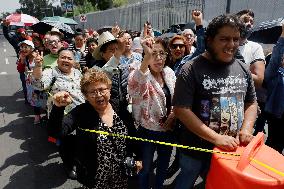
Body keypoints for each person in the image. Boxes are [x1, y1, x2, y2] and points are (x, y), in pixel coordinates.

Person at [172, 14, 258, 189]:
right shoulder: (190, 69)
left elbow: (251, 103)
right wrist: (216, 138)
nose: (231, 45)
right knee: (186, 181)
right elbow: (181, 109)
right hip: (195, 150)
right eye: (224, 39)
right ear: (209, 40)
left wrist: (246, 128)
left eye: (235, 39)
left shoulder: (242, 68)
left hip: (231, 150)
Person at [47, 69, 142, 188]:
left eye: (102, 89)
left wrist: (139, 157)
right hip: (94, 175)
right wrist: (58, 108)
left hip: (121, 171)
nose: (98, 95)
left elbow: (133, 134)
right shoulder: (80, 112)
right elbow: (55, 132)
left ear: (109, 89)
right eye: (92, 92)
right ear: (86, 96)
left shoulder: (120, 108)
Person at [128, 37, 176, 189]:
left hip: (168, 129)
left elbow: (177, 97)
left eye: (162, 53)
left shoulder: (168, 72)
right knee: (146, 167)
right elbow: (134, 87)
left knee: (163, 164)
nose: (158, 58)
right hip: (147, 131)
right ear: (146, 56)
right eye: (153, 54)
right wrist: (146, 57)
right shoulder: (140, 73)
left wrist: (173, 114)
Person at [32, 49, 85, 117]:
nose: (66, 60)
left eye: (69, 58)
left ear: (73, 62)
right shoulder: (51, 72)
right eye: (63, 57)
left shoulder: (77, 72)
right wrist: (38, 66)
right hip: (61, 115)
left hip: (80, 113)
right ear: (57, 61)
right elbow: (39, 85)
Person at [264, 23, 284, 154]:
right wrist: (283, 36)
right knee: (272, 147)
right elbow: (275, 59)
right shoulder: (275, 75)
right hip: (277, 118)